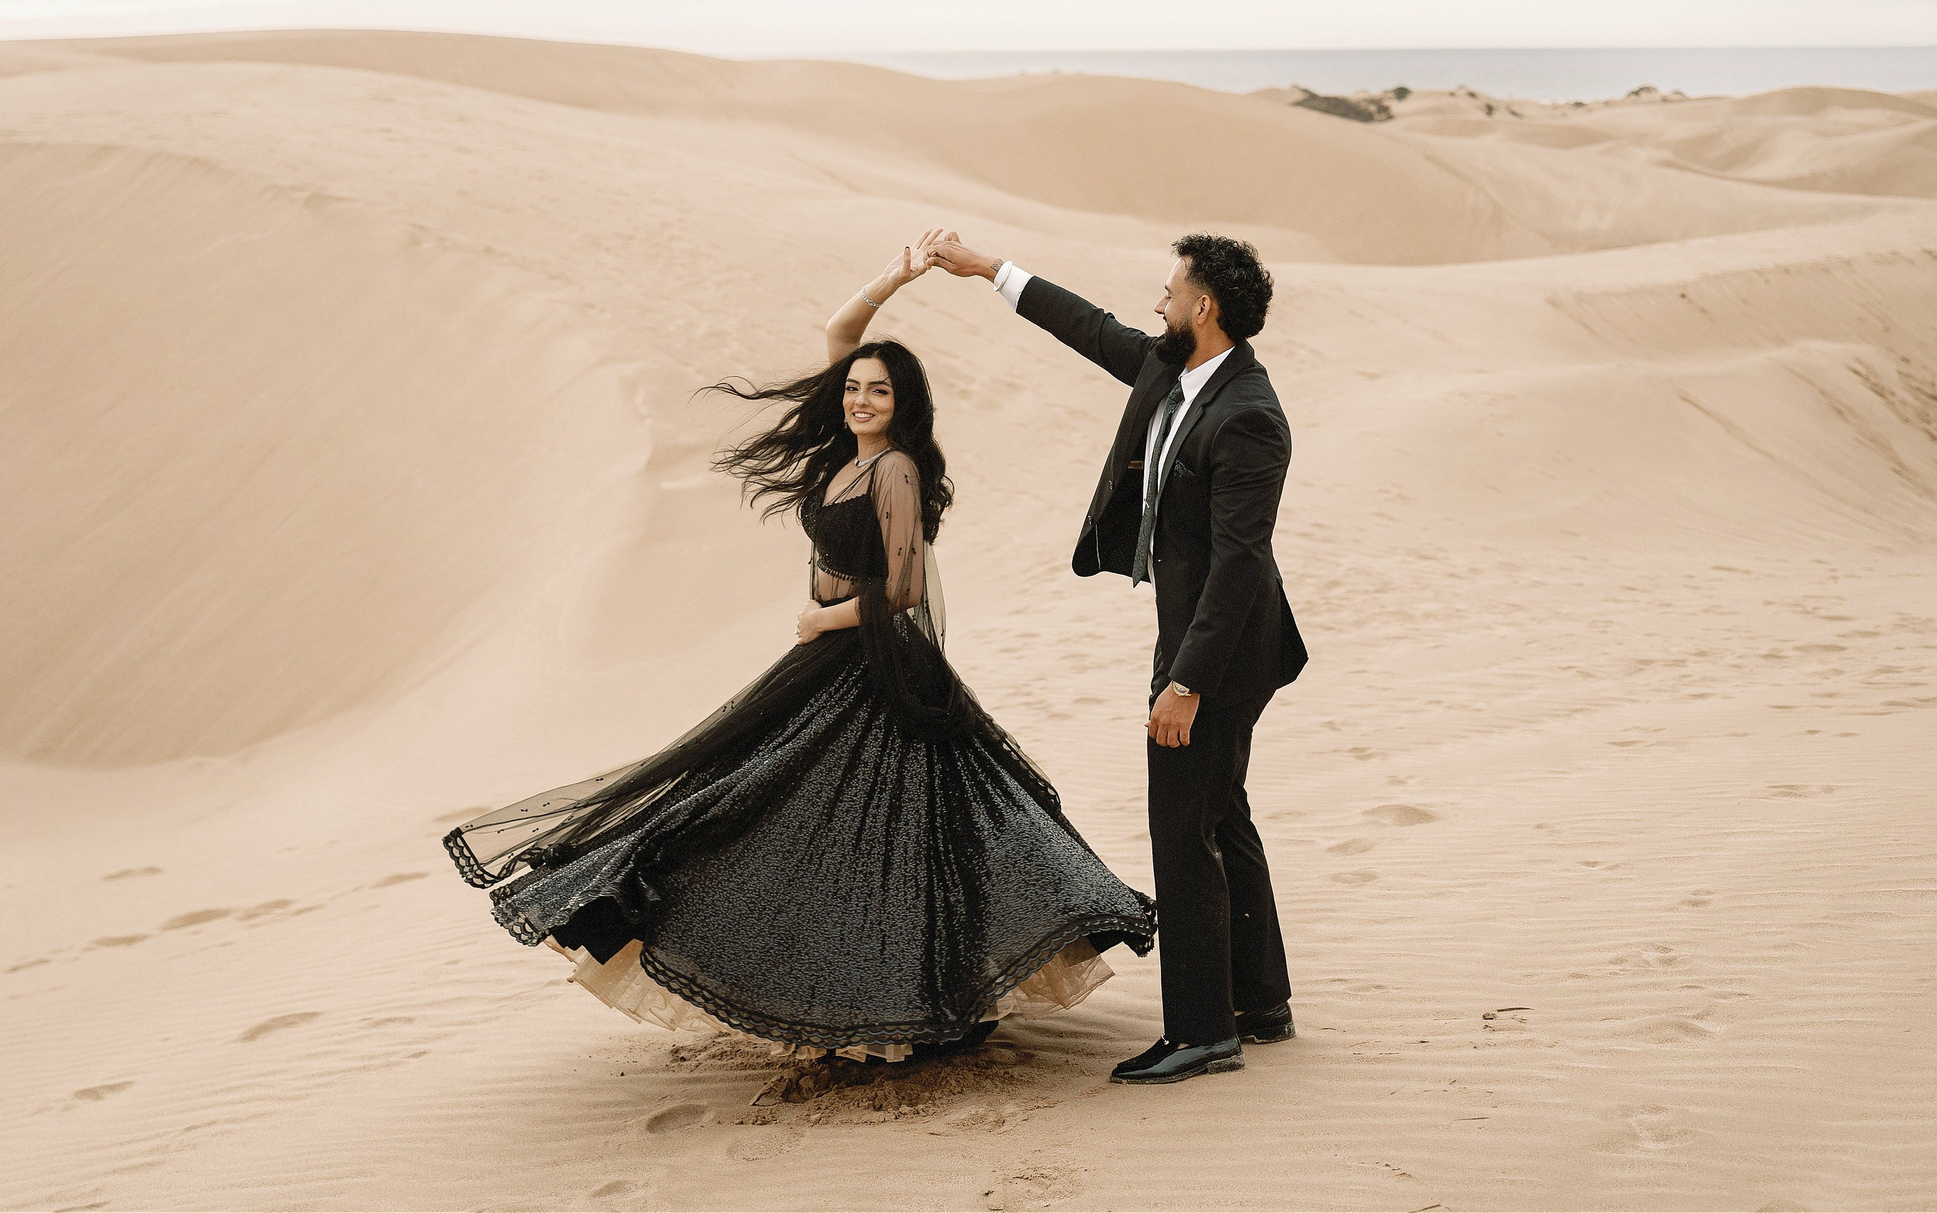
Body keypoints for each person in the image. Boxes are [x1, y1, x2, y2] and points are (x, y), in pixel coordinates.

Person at [442, 245, 1155, 1063]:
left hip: (874, 668)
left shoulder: (895, 470)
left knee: (883, 836)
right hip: (834, 664)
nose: (858, 398)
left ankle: (906, 1004)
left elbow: (904, 590)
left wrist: (826, 619)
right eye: (854, 387)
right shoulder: (851, 455)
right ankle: (866, 996)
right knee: (776, 808)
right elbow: (840, 331)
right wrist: (897, 278)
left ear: (902, 404)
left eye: (877, 390)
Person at [920, 229, 1307, 1086]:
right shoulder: (1175, 368)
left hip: (1223, 651)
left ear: (1203, 307)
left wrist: (1187, 683)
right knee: (1220, 808)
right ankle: (1260, 1001)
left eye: (1170, 291)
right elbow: (1090, 328)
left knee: (1182, 825)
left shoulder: (1249, 415)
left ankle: (1202, 1031)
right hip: (1201, 636)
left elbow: (1240, 563)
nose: (1157, 303)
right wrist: (990, 270)